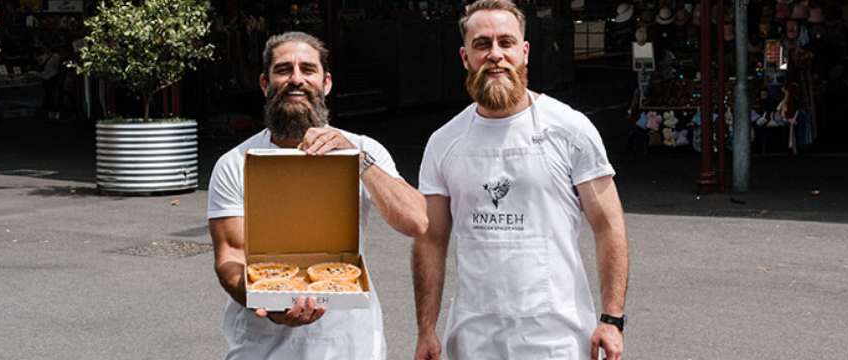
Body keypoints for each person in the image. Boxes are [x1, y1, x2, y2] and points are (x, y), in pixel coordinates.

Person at [412, 1, 630, 360]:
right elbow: (431, 240)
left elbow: (609, 225)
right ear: (465, 57)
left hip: (556, 340)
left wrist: (611, 319)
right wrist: (426, 330)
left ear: (524, 52)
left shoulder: (569, 129)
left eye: (506, 43)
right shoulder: (443, 142)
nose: (495, 54)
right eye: (482, 44)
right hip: (471, 338)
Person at [207, 31, 427, 360]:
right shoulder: (234, 164)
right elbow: (230, 259)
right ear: (265, 84)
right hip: (261, 350)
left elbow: (416, 221)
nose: (296, 79)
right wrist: (269, 302)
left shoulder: (364, 149)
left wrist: (356, 159)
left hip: (352, 348)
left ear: (326, 83)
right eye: (284, 70)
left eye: (307, 69)